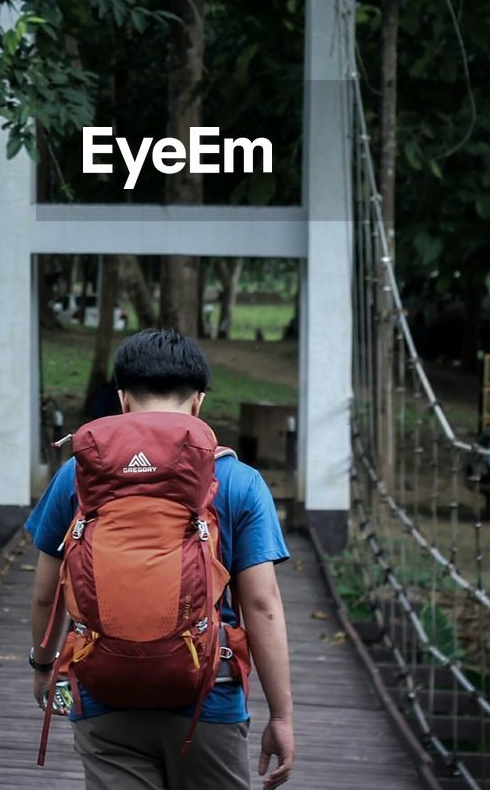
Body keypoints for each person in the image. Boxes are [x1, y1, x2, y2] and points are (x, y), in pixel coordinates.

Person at [26, 327, 295, 790]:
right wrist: (283, 715)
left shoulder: (78, 474)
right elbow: (262, 604)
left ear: (123, 398)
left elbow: (45, 595)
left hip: (103, 692)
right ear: (199, 402)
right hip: (208, 699)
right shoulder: (239, 481)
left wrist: (44, 667)